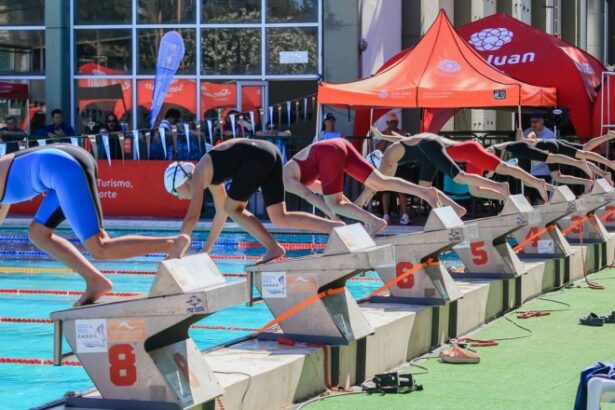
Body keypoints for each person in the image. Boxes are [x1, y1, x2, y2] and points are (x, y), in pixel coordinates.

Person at [0, 144, 188, 306]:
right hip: (62, 162)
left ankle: (172, 243)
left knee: (100, 246)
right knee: (38, 233)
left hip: (63, 166)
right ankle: (95, 280)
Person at [165, 138, 344, 263]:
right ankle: (334, 227)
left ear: (182, 181)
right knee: (279, 217)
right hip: (270, 151)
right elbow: (221, 214)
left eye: (175, 192)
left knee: (233, 208)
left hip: (255, 156)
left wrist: (176, 250)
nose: (178, 196)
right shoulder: (210, 176)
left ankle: (273, 247)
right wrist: (206, 250)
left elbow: (192, 217)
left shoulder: (197, 174)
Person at [283, 138, 465, 236]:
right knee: (380, 181)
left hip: (327, 152)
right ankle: (424, 192)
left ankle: (376, 222)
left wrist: (332, 216)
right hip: (339, 144)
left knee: (333, 205)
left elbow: (309, 196)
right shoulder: (290, 172)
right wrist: (352, 211)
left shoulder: (284, 180)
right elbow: (327, 192)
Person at [359, 129, 511, 205]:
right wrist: (383, 136)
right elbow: (380, 184)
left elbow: (376, 184)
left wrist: (359, 202)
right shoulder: (392, 159)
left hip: (437, 146)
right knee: (424, 188)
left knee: (460, 178)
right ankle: (453, 210)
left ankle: (500, 186)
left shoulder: (388, 157)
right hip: (429, 151)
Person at [377, 113, 412, 225]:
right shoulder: (383, 133)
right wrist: (386, 137)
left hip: (399, 164)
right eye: (391, 122)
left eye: (395, 122)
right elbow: (378, 149)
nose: (393, 124)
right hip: (387, 165)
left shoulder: (402, 133)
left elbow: (407, 146)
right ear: (387, 123)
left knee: (401, 190)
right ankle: (386, 215)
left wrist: (395, 136)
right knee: (386, 191)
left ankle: (405, 215)